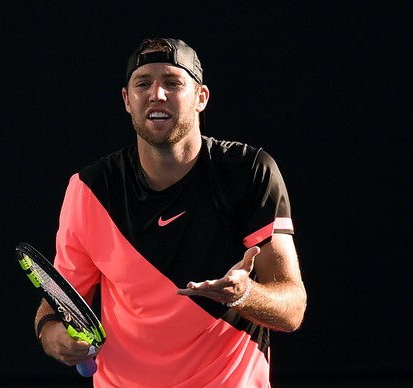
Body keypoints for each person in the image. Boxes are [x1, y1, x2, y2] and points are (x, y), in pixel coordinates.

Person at [34, 37, 307, 387]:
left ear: (201, 98)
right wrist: (57, 339)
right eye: (143, 83)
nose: (157, 94)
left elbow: (292, 308)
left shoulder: (249, 171)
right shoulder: (90, 189)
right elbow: (56, 306)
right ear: (127, 100)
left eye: (173, 83)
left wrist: (244, 294)